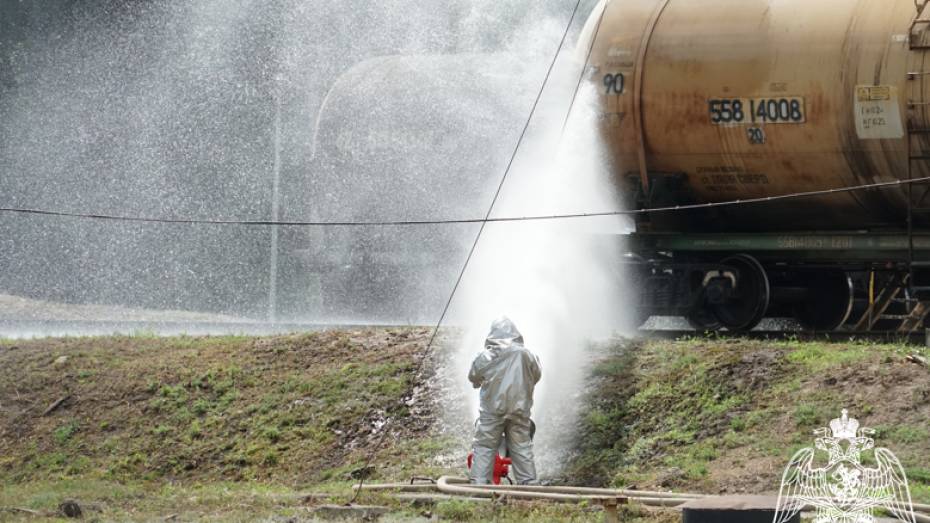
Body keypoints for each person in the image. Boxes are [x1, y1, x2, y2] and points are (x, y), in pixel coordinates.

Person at [468, 317, 542, 485]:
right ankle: (528, 485)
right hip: (519, 409)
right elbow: (536, 375)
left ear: (491, 335)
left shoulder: (485, 356)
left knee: (485, 446)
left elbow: (473, 377)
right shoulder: (526, 354)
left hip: (492, 410)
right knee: (522, 446)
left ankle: (479, 486)